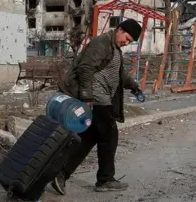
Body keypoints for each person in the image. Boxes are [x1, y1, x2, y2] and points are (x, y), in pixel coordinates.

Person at [52, 19, 143, 194]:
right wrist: (87, 96)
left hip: (101, 99)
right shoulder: (102, 42)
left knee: (88, 138)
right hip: (97, 99)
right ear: (119, 29)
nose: (126, 42)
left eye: (130, 42)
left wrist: (134, 85)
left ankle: (60, 173)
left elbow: (120, 75)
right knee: (109, 135)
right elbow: (85, 68)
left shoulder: (114, 49)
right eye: (127, 38)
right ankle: (105, 180)